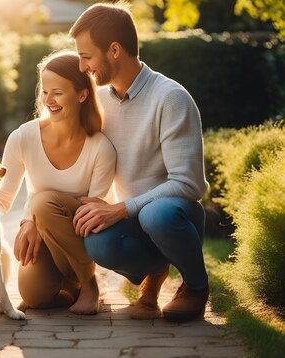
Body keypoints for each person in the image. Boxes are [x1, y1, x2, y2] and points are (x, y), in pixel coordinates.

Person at [0, 50, 117, 315]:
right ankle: (69, 286)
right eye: (45, 92)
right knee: (34, 297)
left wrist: (35, 216)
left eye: (58, 92)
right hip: (44, 236)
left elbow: (92, 211)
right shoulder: (24, 137)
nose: (49, 100)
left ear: (82, 94)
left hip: (86, 237)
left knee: (42, 202)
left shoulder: (101, 148)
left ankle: (90, 284)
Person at [69, 2, 210, 322]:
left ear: (114, 50)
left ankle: (195, 285)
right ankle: (155, 274)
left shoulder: (170, 98)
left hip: (174, 213)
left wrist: (120, 208)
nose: (82, 67)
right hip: (137, 217)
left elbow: (188, 184)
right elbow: (64, 145)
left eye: (86, 56)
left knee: (156, 215)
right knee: (97, 240)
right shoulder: (100, 100)